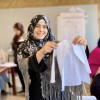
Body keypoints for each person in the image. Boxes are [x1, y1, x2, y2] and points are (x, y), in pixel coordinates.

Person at [17, 15, 87, 100]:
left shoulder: (56, 45)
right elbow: (24, 67)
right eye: (37, 26)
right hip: (36, 93)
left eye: (44, 27)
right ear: (32, 27)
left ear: (48, 29)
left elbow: (74, 60)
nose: (41, 30)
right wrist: (42, 52)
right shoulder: (23, 47)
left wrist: (82, 47)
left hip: (58, 93)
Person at [12, 22, 25, 92]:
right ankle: (23, 88)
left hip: (22, 59)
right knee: (19, 74)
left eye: (16, 30)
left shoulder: (24, 36)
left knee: (24, 74)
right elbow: (14, 48)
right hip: (16, 58)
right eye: (14, 30)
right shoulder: (15, 37)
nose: (15, 31)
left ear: (20, 29)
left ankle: (26, 89)